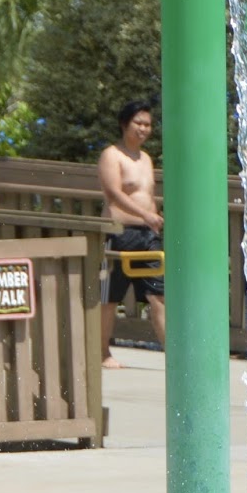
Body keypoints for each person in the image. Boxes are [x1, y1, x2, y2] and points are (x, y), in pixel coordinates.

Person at [98, 100, 165, 367]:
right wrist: (144, 215)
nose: (143, 128)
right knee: (110, 298)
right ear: (124, 123)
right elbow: (113, 193)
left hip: (147, 236)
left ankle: (173, 356)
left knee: (159, 295)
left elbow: (147, 195)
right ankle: (103, 353)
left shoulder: (146, 158)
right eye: (138, 123)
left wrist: (153, 216)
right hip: (119, 233)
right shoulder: (111, 155)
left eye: (147, 124)